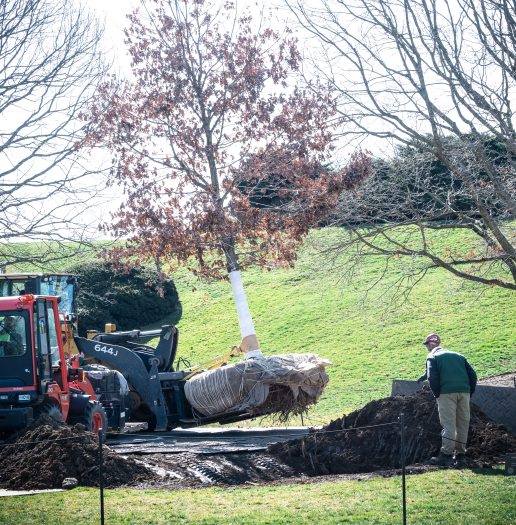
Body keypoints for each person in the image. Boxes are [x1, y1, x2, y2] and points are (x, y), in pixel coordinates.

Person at [422, 333, 477, 467]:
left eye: (427, 345)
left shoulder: (432, 356)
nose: (427, 347)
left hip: (446, 393)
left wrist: (437, 394)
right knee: (463, 423)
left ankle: (446, 455)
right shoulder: (459, 356)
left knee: (449, 424)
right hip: (464, 393)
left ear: (430, 345)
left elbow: (432, 376)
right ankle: (460, 456)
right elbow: (473, 375)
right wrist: (469, 392)